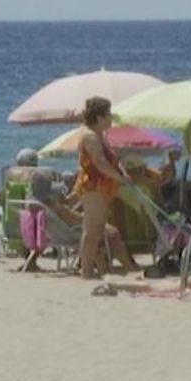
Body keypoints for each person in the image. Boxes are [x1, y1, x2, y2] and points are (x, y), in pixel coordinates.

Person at [28, 174, 138, 274]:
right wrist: (91, 214)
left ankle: (105, 265)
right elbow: (77, 220)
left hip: (62, 235)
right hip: (75, 234)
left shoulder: (39, 207)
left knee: (107, 235)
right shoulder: (58, 209)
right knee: (114, 233)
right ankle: (128, 266)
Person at [73, 96, 130, 279]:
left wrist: (122, 173)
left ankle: (88, 269)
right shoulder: (90, 136)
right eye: (108, 114)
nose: (111, 118)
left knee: (96, 229)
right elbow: (100, 162)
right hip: (92, 186)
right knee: (91, 229)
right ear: (99, 117)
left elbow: (112, 160)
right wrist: (119, 178)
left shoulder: (100, 135)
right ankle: (86, 271)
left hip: (100, 187)